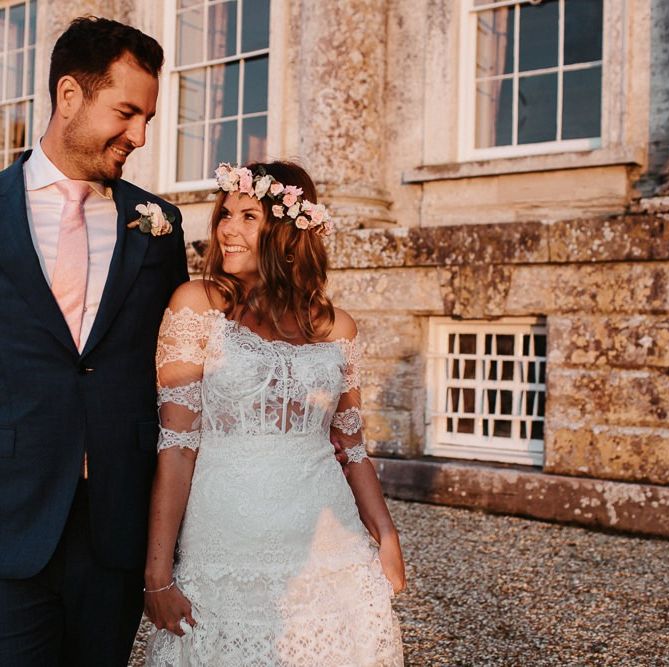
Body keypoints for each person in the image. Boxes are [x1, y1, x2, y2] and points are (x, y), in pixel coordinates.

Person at [144, 161, 405, 666]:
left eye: (248, 217)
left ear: (287, 232)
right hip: (224, 544)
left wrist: (386, 536)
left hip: (329, 549)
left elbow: (351, 449)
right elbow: (176, 448)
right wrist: (158, 575)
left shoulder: (338, 328)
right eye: (225, 215)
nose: (227, 230)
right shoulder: (195, 307)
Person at [0, 17, 188, 666]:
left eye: (148, 119)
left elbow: (179, 364)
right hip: (11, 516)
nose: (138, 136)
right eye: (127, 112)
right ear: (70, 97)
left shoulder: (157, 225)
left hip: (117, 523)